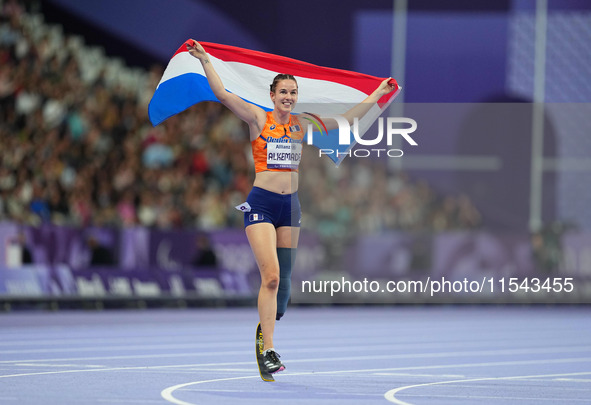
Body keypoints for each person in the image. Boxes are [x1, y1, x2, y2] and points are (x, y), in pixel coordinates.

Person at [186, 39, 396, 375]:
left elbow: (346, 121)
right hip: (261, 205)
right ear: (272, 95)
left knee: (283, 287)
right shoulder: (258, 118)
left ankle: (268, 323)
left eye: (293, 92)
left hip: (291, 208)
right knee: (270, 277)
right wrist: (205, 60)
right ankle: (268, 348)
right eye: (283, 92)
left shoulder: (301, 124)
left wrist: (375, 95)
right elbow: (224, 95)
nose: (288, 97)